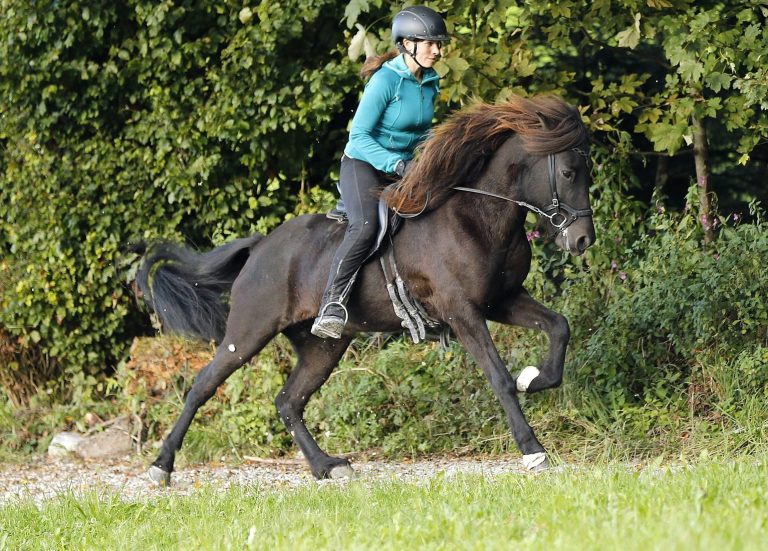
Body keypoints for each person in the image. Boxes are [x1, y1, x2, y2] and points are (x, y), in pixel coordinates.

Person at [311, 6, 450, 339]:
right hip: (363, 164)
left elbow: (419, 134)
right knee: (366, 226)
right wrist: (398, 164)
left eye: (438, 44)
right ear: (406, 43)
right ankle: (332, 304)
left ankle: (429, 311)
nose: (437, 50)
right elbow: (358, 138)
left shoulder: (430, 82)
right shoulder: (385, 81)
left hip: (402, 168)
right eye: (429, 43)